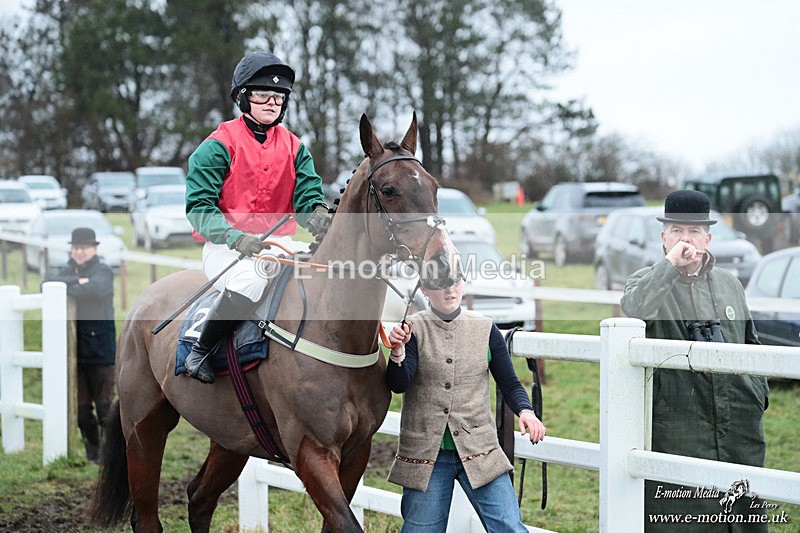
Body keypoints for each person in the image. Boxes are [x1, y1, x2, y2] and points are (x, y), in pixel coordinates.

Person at [620, 190, 769, 532]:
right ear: (663, 238)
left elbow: (753, 346)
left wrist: (757, 396)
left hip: (739, 433)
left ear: (708, 237)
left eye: (693, 231)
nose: (685, 239)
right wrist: (670, 266)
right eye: (676, 231)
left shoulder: (731, 285)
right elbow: (635, 308)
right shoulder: (644, 281)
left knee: (744, 518)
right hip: (680, 432)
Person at [184, 50, 330, 384]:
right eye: (263, 94)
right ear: (243, 97)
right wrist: (235, 237)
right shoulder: (217, 146)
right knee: (252, 280)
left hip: (278, 243)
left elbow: (307, 199)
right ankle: (202, 350)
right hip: (225, 247)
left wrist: (319, 216)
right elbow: (199, 210)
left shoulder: (296, 147)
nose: (272, 101)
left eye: (279, 96)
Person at [385, 275, 546, 532]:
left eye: (455, 282)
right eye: (440, 284)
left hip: (480, 449)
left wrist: (526, 411)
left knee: (509, 527)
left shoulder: (485, 329)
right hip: (426, 456)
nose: (450, 290)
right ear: (425, 289)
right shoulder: (412, 330)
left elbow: (510, 383)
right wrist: (397, 351)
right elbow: (398, 384)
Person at [46, 227, 116, 464]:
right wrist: (77, 281)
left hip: (100, 350)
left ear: (94, 249)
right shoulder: (67, 270)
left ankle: (111, 453)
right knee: (82, 411)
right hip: (74, 352)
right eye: (76, 247)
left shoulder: (103, 271)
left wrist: (73, 286)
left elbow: (96, 289)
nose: (80, 252)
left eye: (84, 247)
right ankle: (93, 453)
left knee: (105, 408)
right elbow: (47, 284)